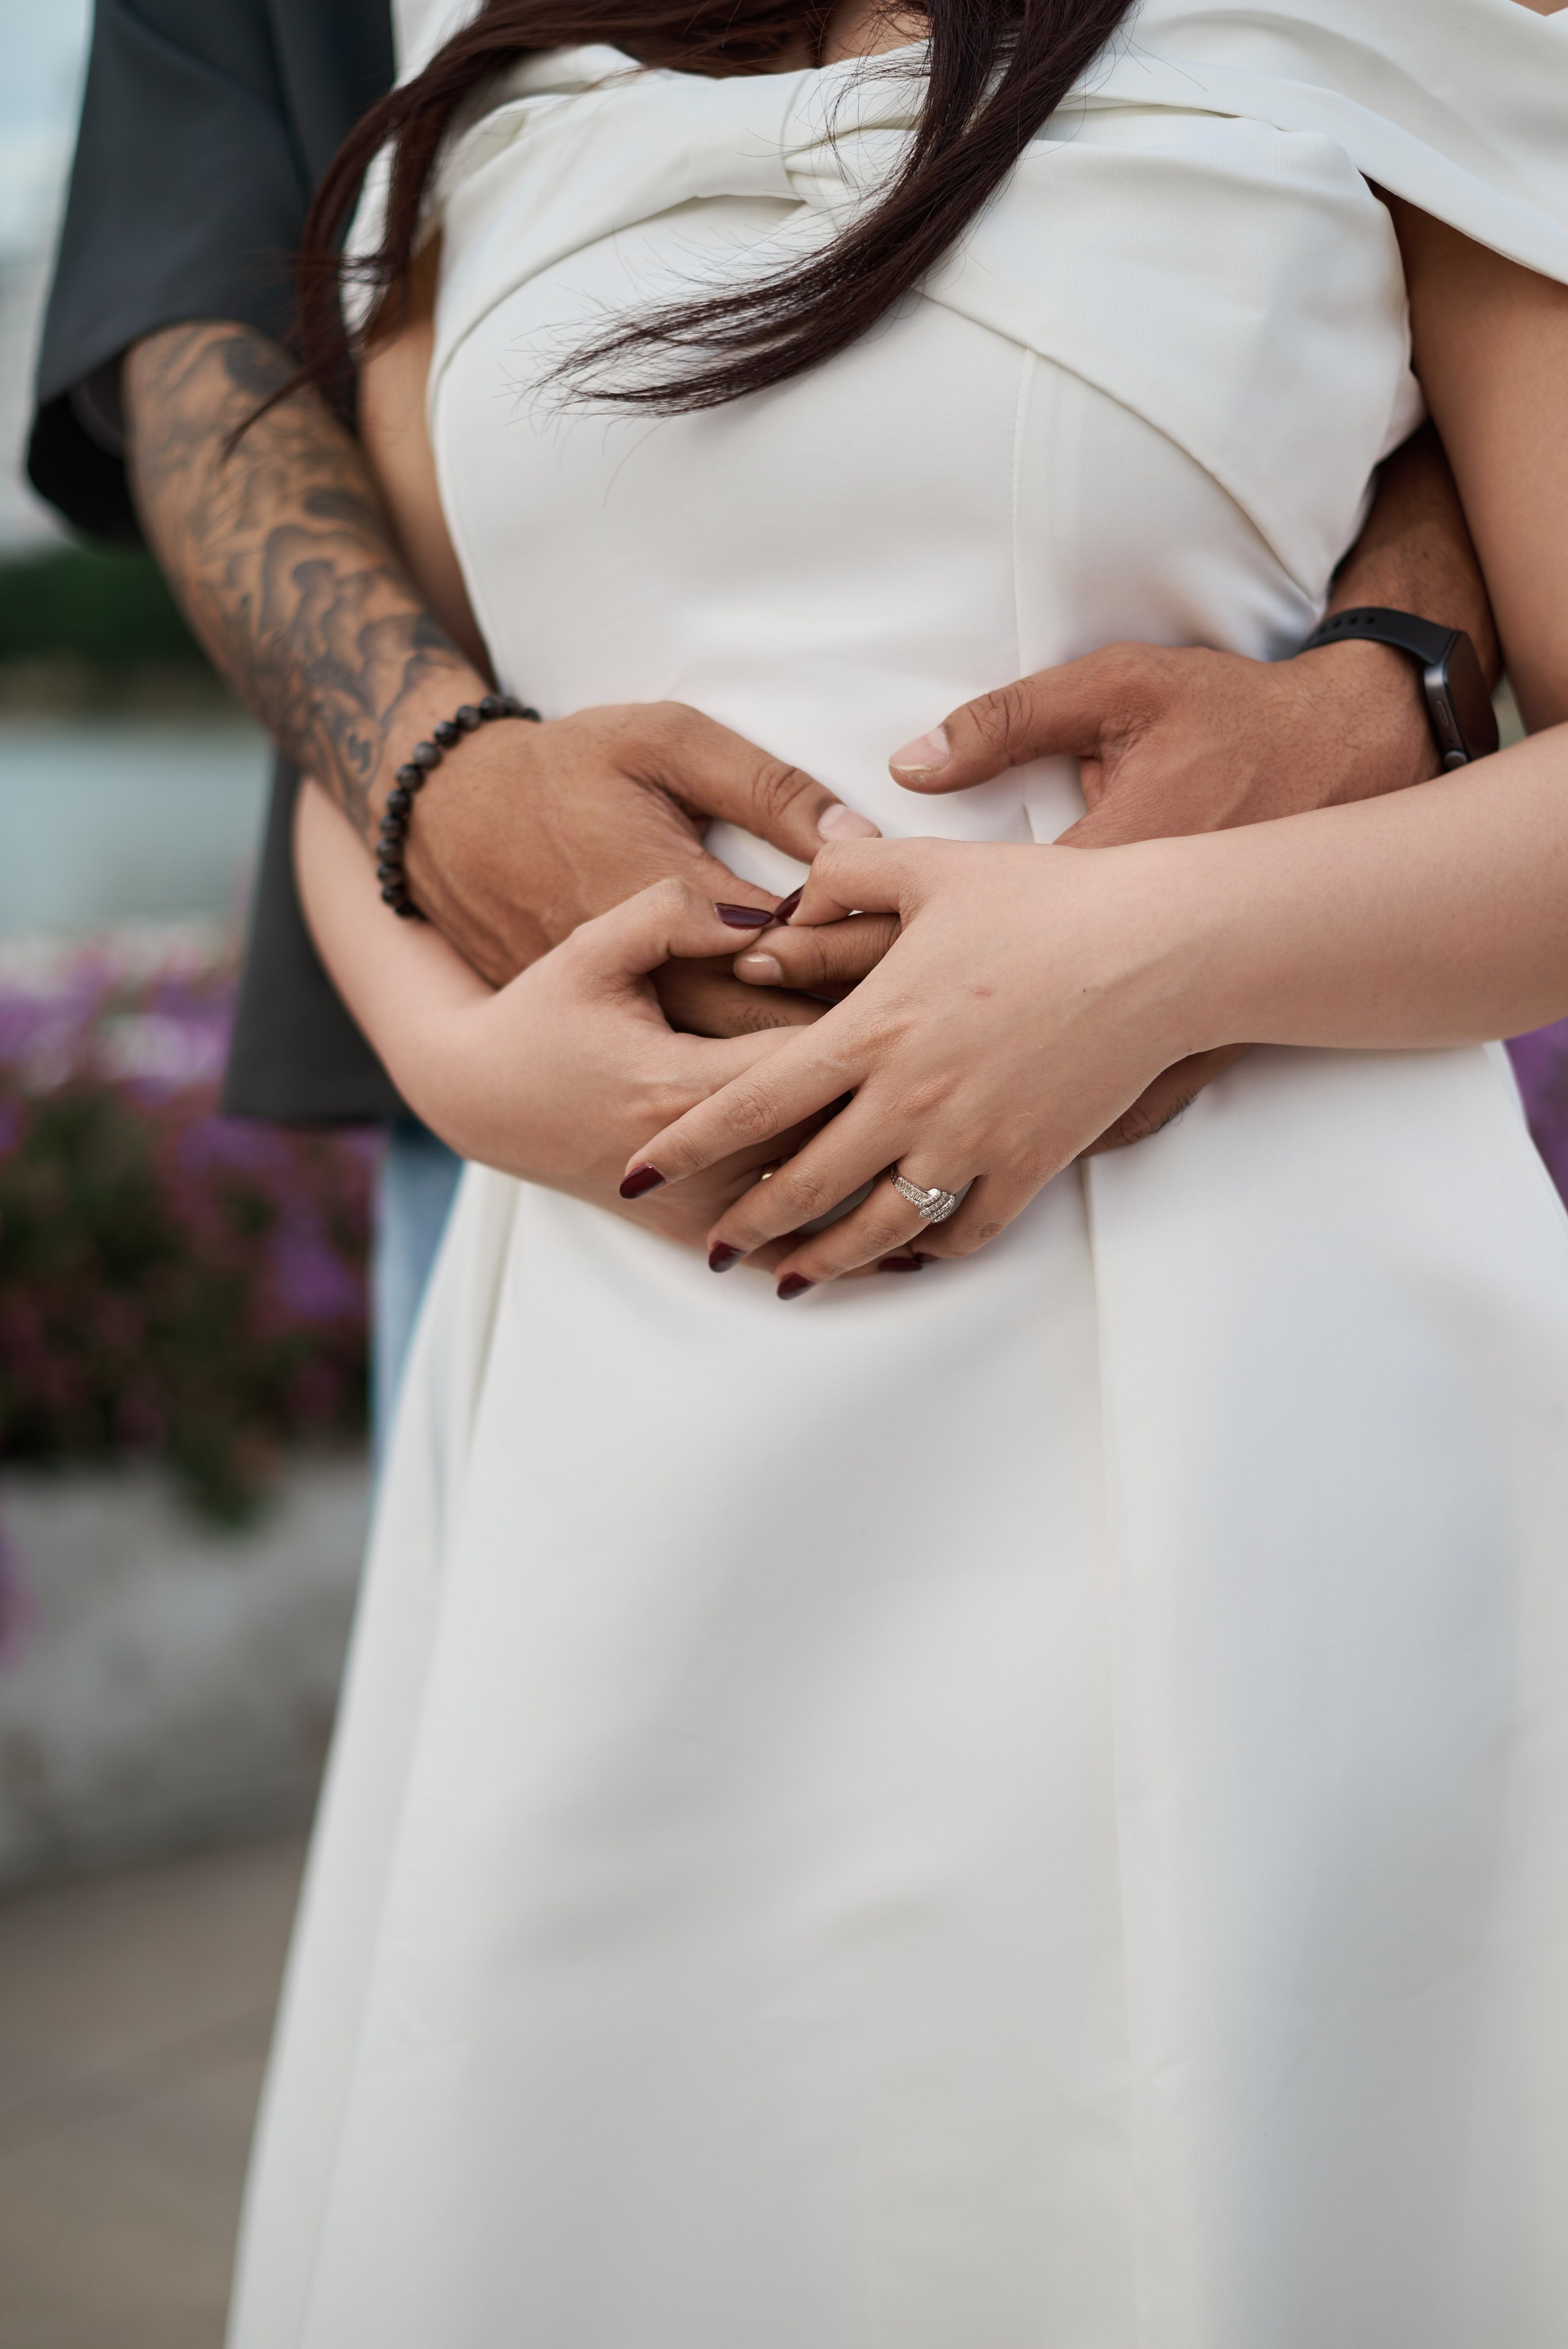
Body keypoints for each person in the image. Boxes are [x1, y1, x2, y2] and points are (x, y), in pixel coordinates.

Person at [224, 0, 1568, 2340]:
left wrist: (1132, 963)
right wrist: (460, 1063)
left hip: (1260, 1372)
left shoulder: (1400, 23)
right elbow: (396, 734)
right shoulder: (483, 72)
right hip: (635, 1369)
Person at [31, 0, 1499, 1430]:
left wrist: (1167, 933)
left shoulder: (1372, 42)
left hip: (1253, 1295)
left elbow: (1446, 407)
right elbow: (382, 663)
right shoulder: (489, 115)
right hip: (623, 1307)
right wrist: (469, 1069)